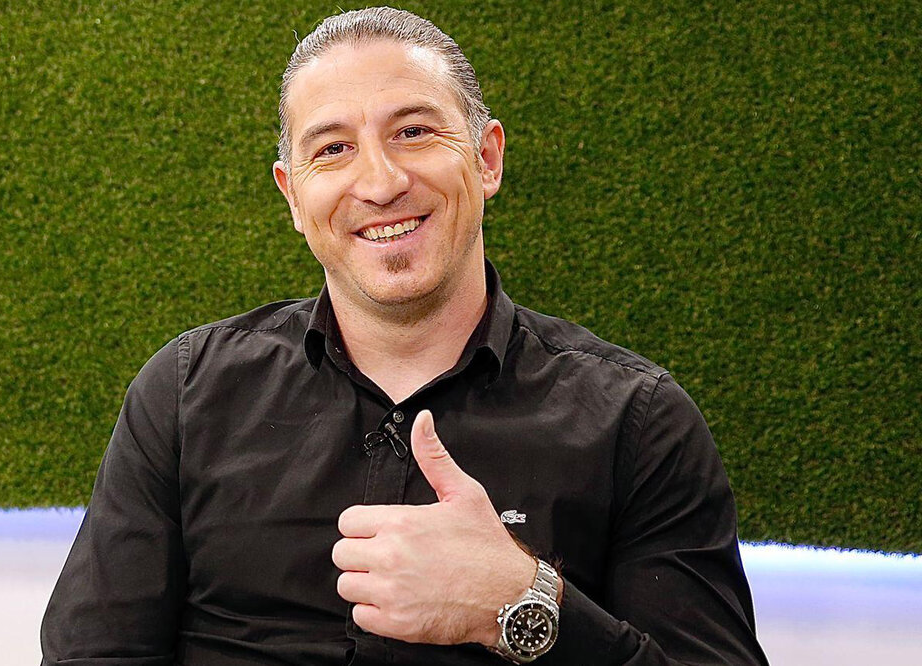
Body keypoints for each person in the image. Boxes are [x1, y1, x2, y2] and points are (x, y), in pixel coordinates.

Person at [41, 7, 768, 665]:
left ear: (486, 159)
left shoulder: (637, 423)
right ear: (293, 196)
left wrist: (523, 603)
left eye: (413, 133)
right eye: (332, 149)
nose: (381, 182)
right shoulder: (185, 393)